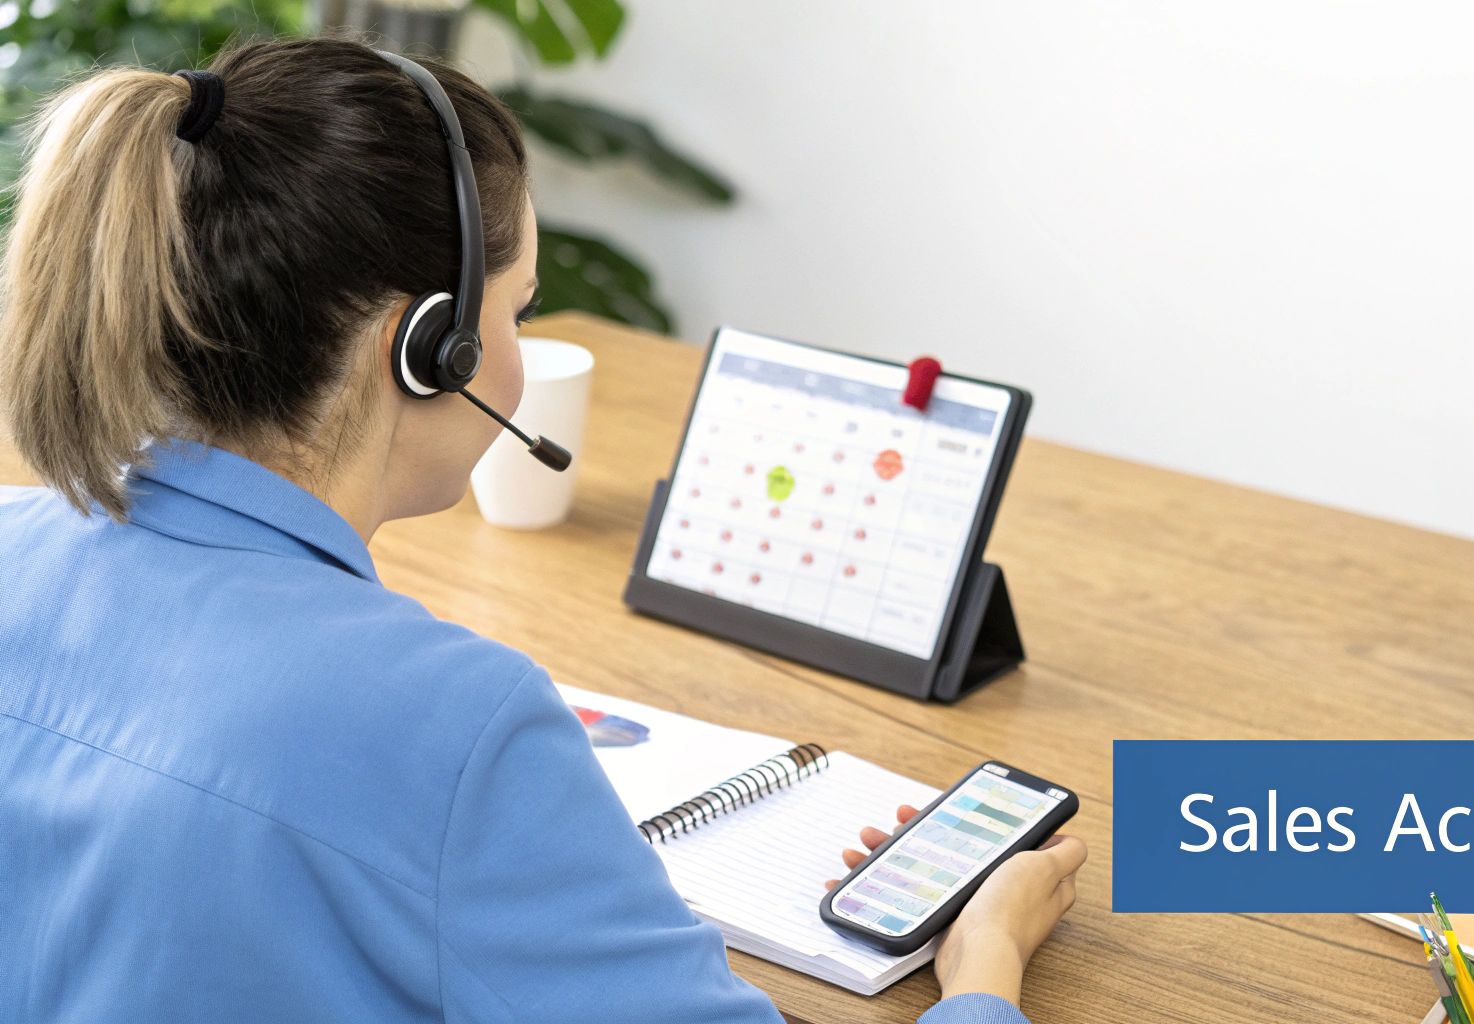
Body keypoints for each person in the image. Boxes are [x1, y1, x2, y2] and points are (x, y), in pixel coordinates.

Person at [0, 37, 1086, 1023]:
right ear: (428, 350)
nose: (513, 348)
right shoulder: (453, 722)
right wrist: (983, 967)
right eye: (514, 310)